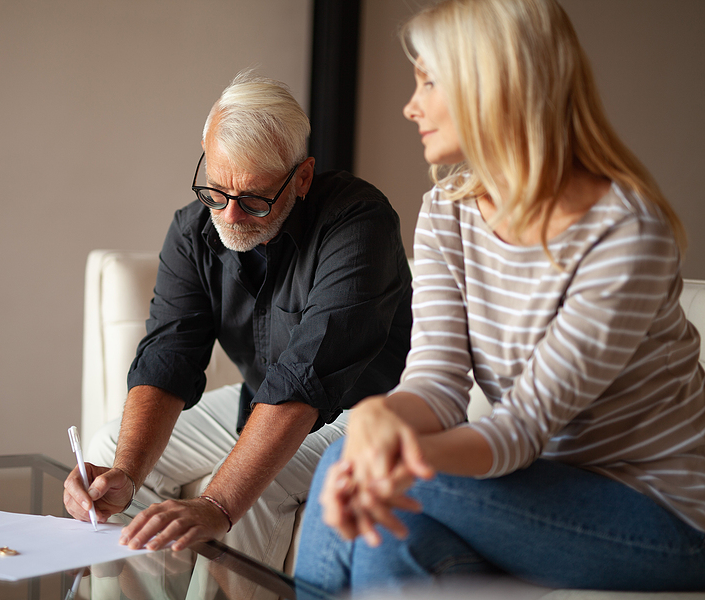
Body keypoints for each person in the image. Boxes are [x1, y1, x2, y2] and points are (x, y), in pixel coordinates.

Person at [293, 0, 705, 595]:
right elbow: (437, 384)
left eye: (430, 81)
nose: (412, 106)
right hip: (540, 493)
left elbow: (519, 431)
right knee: (389, 531)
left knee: (346, 465)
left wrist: (374, 452)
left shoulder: (626, 234)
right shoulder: (447, 211)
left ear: (496, 84)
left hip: (668, 516)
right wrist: (378, 416)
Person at [63, 70, 413, 590]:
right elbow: (167, 359)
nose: (229, 216)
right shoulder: (193, 228)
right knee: (113, 447)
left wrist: (215, 504)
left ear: (300, 177)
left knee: (254, 492)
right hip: (263, 396)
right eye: (216, 190)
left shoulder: (359, 223)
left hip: (374, 411)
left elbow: (304, 379)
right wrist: (127, 474)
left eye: (254, 199)